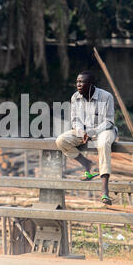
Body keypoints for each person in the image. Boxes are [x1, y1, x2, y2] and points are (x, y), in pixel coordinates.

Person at [56, 70, 117, 205]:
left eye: (82, 82)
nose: (78, 84)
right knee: (61, 141)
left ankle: (105, 190)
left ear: (91, 84)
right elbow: (75, 120)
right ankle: (86, 163)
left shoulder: (106, 96)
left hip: (104, 131)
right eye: (77, 81)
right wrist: (81, 131)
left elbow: (109, 121)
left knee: (103, 144)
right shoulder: (75, 97)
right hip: (83, 132)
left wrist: (91, 133)